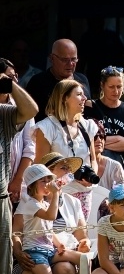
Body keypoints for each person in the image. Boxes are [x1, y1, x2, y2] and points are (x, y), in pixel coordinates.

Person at [9, 153, 89, 274]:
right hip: (35, 252)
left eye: (69, 169)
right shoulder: (31, 203)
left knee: (77, 262)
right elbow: (18, 231)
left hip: (51, 250)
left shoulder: (71, 202)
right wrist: (17, 250)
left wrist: (81, 244)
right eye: (63, 168)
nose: (67, 172)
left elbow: (78, 234)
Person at [33, 79, 100, 220]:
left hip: (84, 193)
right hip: (56, 194)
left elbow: (93, 159)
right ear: (65, 98)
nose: (84, 98)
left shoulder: (87, 126)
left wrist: (90, 176)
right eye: (79, 94)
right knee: (60, 239)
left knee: (80, 238)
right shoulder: (47, 127)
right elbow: (40, 166)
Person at [84, 66, 124, 182]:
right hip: (98, 166)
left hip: (122, 165)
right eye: (111, 87)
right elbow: (88, 139)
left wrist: (102, 144)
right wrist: (119, 138)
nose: (116, 91)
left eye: (119, 87)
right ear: (102, 86)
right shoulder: (91, 106)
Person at [28, 39, 91, 122]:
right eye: (65, 60)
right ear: (52, 58)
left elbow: (90, 111)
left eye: (73, 59)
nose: (70, 64)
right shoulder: (38, 82)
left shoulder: (82, 79)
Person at [1, 58, 35, 206]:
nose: (13, 81)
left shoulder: (21, 107)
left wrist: (17, 180)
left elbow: (30, 147)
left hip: (15, 182)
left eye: (15, 76)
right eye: (9, 78)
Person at [77, 18, 124, 89]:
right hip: (94, 76)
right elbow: (82, 61)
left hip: (112, 75)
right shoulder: (87, 38)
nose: (97, 24)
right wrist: (79, 79)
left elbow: (121, 58)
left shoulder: (111, 36)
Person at [91, 120, 124, 190]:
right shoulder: (78, 166)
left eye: (101, 136)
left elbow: (120, 196)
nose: (99, 140)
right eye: (94, 137)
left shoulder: (115, 167)